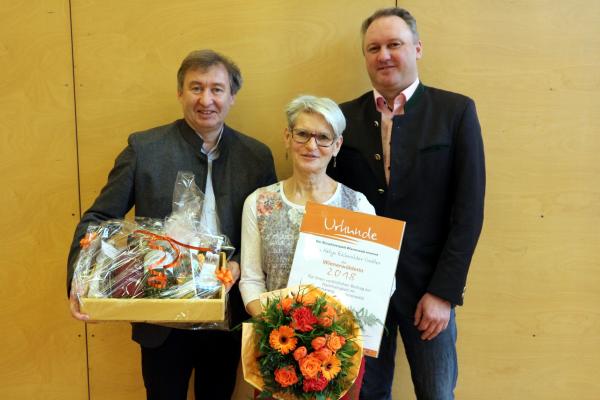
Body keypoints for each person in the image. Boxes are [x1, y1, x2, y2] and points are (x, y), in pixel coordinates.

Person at [67, 49, 277, 400]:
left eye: (217, 89)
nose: (206, 99)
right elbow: (99, 218)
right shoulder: (144, 148)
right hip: (159, 316)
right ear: (180, 93)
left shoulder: (256, 156)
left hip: (226, 313)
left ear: (232, 96)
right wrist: (79, 278)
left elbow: (266, 234)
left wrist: (240, 264)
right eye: (196, 88)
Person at [327, 8, 485, 400]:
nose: (384, 55)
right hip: (361, 293)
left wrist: (445, 293)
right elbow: (331, 200)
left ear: (417, 48)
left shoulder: (455, 112)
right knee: (367, 394)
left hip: (428, 293)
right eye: (373, 48)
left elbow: (468, 212)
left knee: (436, 393)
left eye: (394, 45)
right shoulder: (342, 118)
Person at [239, 95, 375, 399]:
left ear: (337, 145)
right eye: (302, 134)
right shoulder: (259, 203)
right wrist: (278, 329)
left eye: (323, 137)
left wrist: (329, 336)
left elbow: (380, 284)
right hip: (277, 349)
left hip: (338, 357)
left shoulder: (358, 207)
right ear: (288, 137)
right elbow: (250, 279)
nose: (311, 145)